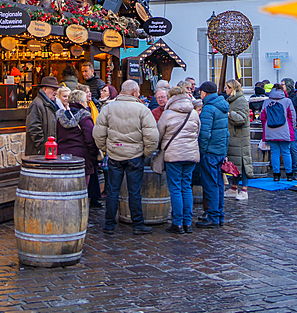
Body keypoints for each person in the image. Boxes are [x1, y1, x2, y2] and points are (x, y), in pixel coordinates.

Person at [92, 79, 159, 236]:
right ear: (135, 92)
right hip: (135, 155)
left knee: (112, 190)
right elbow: (152, 136)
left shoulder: (108, 108)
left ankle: (109, 224)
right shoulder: (142, 110)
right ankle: (138, 224)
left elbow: (98, 133)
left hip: (115, 153)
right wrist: (146, 153)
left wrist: (106, 149)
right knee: (134, 191)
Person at [157, 84, 201, 234]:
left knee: (175, 189)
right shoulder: (193, 113)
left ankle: (177, 223)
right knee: (186, 187)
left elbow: (159, 134)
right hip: (191, 155)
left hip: (174, 155)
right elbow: (197, 132)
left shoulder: (168, 114)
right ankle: (187, 222)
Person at [195, 81, 229, 228]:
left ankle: (213, 216)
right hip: (220, 150)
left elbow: (204, 134)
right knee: (219, 183)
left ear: (205, 93)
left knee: (210, 184)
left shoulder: (208, 109)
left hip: (210, 152)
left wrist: (201, 152)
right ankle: (218, 215)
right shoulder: (221, 106)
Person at [56, 89, 99, 189]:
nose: (87, 104)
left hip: (63, 156)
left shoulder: (60, 117)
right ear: (80, 102)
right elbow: (90, 139)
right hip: (82, 158)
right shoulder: (85, 117)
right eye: (85, 102)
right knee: (80, 190)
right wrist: (94, 154)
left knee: (65, 189)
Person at [223, 79, 254, 201]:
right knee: (234, 165)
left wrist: (230, 114)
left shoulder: (241, 101)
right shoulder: (230, 100)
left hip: (240, 138)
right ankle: (234, 188)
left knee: (243, 163)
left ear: (232, 88)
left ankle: (244, 190)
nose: (225, 89)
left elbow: (242, 119)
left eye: (227, 87)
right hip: (233, 138)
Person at [260, 83, 296, 182]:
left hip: (270, 130)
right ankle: (289, 174)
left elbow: (262, 117)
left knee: (274, 152)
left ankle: (276, 175)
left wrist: (266, 127)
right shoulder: (287, 101)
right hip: (285, 130)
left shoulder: (267, 102)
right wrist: (291, 128)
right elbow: (292, 116)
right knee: (286, 152)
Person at [24, 76, 59, 155]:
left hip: (47, 152)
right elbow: (33, 128)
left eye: (56, 90)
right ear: (45, 89)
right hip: (38, 153)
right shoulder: (36, 104)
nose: (56, 92)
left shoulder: (51, 104)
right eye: (53, 90)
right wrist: (44, 147)